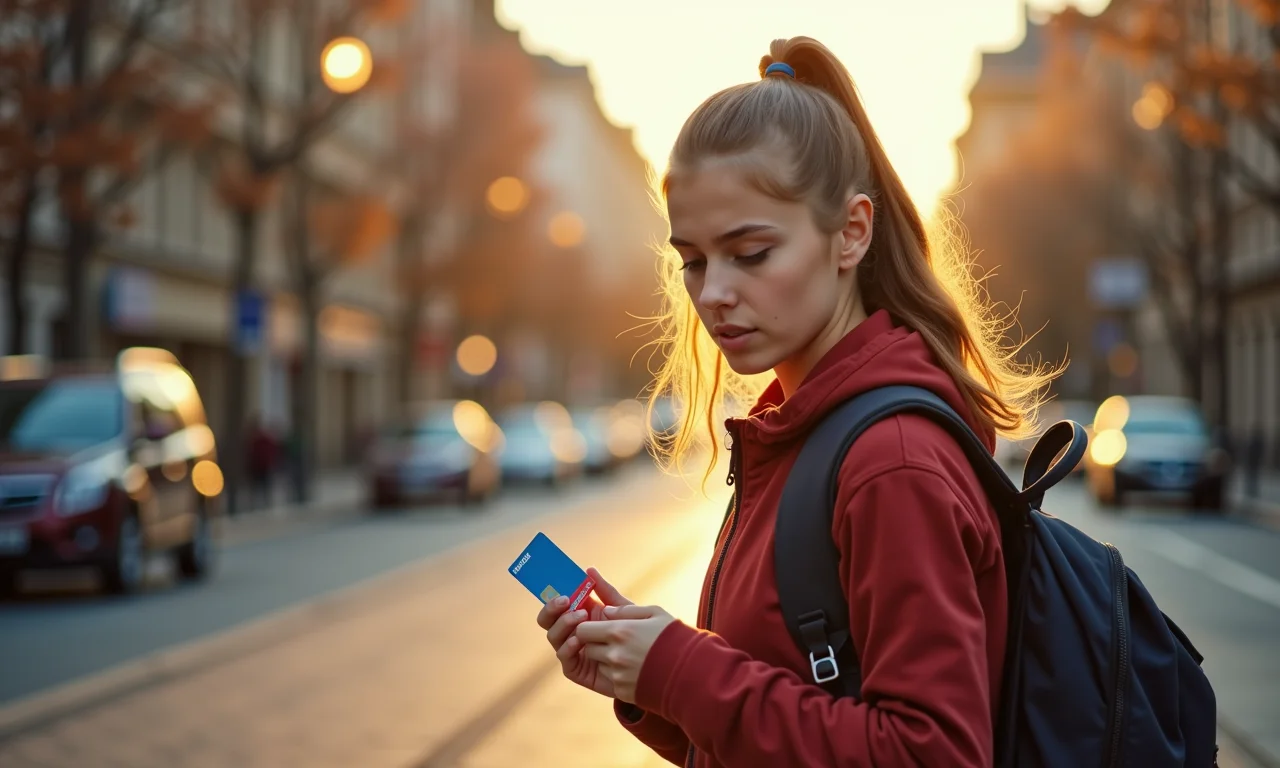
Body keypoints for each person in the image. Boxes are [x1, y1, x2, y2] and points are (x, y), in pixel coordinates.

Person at [536, 36, 1054, 767]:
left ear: (851, 233)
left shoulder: (889, 462)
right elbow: (789, 721)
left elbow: (928, 754)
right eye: (692, 260)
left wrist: (684, 669)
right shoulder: (801, 432)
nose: (712, 292)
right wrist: (648, 682)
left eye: (750, 254)